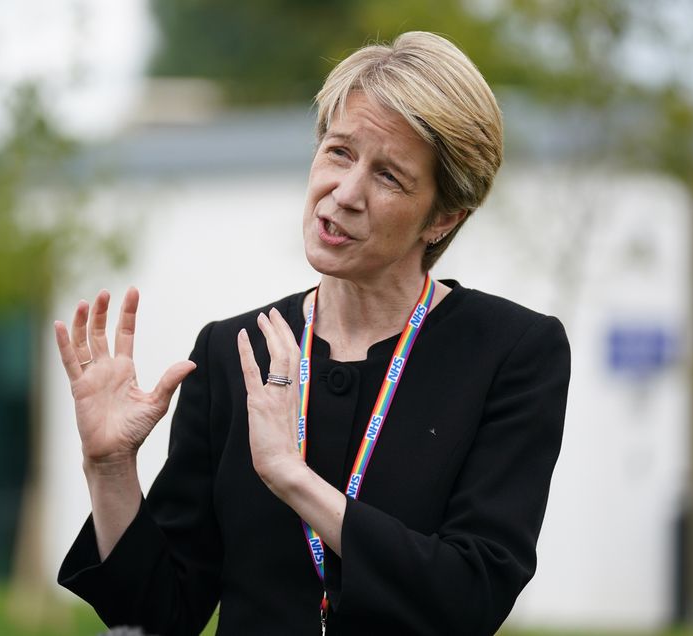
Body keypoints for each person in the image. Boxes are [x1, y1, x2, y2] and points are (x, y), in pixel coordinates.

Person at [54, 31, 571, 636]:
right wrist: (110, 469)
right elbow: (158, 617)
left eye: (389, 177)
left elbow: (469, 594)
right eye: (339, 152)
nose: (345, 194)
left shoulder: (511, 353)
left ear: (443, 216)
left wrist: (292, 479)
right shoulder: (231, 352)